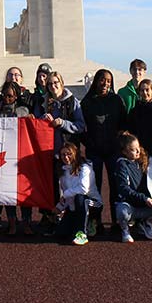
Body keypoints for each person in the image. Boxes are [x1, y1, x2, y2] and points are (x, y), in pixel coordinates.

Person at [33, 71, 86, 234]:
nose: (53, 86)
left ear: (62, 83)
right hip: (50, 152)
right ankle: (51, 219)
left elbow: (80, 125)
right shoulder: (43, 103)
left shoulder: (72, 101)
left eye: (56, 82)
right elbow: (34, 124)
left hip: (68, 154)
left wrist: (62, 123)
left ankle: (72, 220)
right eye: (50, 84)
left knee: (70, 187)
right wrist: (43, 120)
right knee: (52, 188)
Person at [80, 69, 127, 230]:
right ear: (96, 81)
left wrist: (119, 138)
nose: (105, 83)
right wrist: (89, 144)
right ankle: (95, 220)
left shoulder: (116, 100)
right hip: (95, 150)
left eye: (108, 81)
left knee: (116, 185)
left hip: (113, 150)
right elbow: (81, 128)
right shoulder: (87, 102)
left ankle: (116, 220)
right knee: (94, 187)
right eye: (102, 80)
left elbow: (124, 122)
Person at [0, 80, 32, 235]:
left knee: (24, 190)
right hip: (4, 155)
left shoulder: (23, 110)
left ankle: (26, 222)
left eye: (9, 96)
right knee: (8, 190)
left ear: (16, 96)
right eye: (3, 95)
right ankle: (12, 222)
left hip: (21, 154)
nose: (6, 99)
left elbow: (23, 117)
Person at [54, 142, 102, 246]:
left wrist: (65, 194)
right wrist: (60, 207)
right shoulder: (63, 171)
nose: (66, 157)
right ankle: (85, 224)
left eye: (69, 154)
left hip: (92, 203)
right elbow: (67, 196)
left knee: (80, 198)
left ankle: (82, 233)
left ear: (75, 153)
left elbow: (83, 189)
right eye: (63, 155)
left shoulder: (85, 168)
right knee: (61, 234)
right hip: (74, 206)